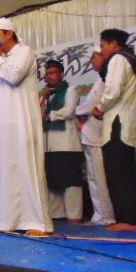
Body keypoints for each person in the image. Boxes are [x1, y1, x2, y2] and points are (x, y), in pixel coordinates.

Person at [0, 17, 52, 236]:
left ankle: (39, 223)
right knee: (6, 170)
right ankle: (9, 221)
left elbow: (14, 75)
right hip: (5, 124)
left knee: (28, 168)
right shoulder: (3, 60)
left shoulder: (24, 51)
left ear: (10, 33)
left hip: (22, 120)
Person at [92, 29, 136, 232]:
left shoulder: (118, 59)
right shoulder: (132, 60)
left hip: (118, 124)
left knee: (118, 173)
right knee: (126, 172)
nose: (101, 50)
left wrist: (99, 107)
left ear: (114, 43)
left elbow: (113, 91)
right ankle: (132, 218)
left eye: (103, 46)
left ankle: (127, 219)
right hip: (128, 122)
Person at [75, 47, 115, 226]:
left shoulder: (107, 78)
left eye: (94, 57)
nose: (92, 61)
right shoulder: (100, 78)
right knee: (92, 178)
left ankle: (107, 216)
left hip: (100, 134)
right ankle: (98, 215)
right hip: (91, 134)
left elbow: (92, 104)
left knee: (101, 177)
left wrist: (77, 112)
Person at [41, 59, 84, 224]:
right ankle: (57, 214)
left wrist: (49, 116)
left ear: (62, 74)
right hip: (49, 143)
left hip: (66, 143)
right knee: (52, 180)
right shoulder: (47, 94)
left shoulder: (71, 90)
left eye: (53, 73)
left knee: (70, 180)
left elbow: (69, 110)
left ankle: (74, 215)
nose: (49, 76)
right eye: (47, 74)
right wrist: (43, 97)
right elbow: (37, 113)